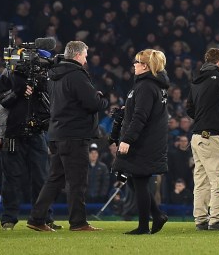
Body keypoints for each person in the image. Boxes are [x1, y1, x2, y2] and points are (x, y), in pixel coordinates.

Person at [28, 40, 108, 233]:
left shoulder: (54, 74)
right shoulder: (76, 75)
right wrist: (100, 98)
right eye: (86, 56)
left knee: (55, 178)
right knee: (77, 180)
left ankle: (37, 218)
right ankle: (78, 222)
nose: (86, 60)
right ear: (78, 55)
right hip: (74, 135)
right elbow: (92, 103)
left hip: (57, 133)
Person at [0, 52, 54, 230]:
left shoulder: (45, 76)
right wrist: (17, 92)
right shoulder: (9, 72)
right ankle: (9, 219)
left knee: (42, 177)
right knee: (12, 178)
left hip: (37, 132)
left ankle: (42, 218)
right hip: (12, 132)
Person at [112, 49, 170, 235]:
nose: (133, 65)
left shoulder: (145, 86)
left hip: (144, 142)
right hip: (149, 140)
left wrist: (127, 139)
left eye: (136, 62)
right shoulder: (153, 85)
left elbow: (141, 116)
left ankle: (144, 226)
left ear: (145, 66)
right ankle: (156, 215)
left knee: (139, 181)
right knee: (135, 181)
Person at [186, 47, 219, 231]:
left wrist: (203, 116)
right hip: (211, 136)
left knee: (201, 181)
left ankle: (201, 219)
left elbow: (190, 109)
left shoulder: (196, 81)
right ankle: (217, 219)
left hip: (197, 137)